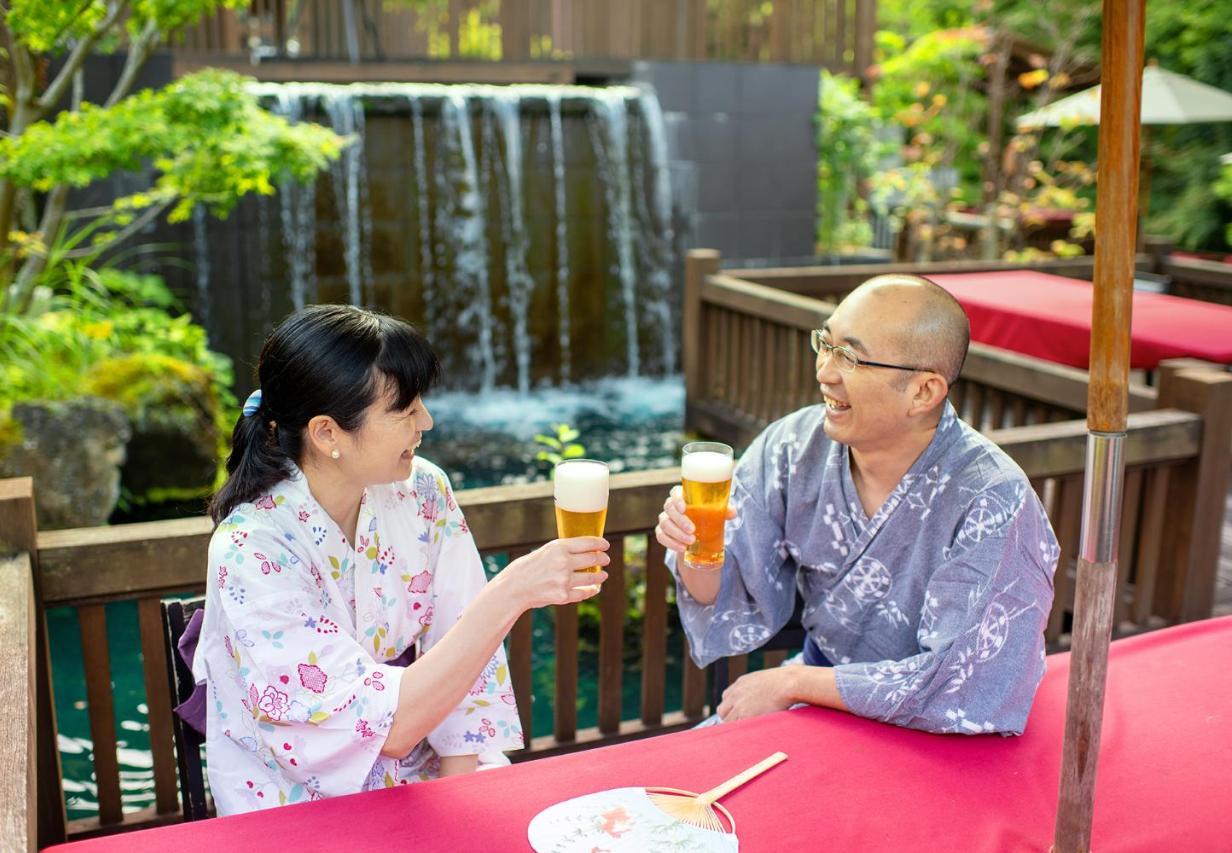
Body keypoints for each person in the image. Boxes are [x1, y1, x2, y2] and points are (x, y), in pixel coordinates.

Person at [197, 305, 609, 814]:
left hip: (422, 779)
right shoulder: (251, 548)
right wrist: (511, 592)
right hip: (292, 798)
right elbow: (386, 730)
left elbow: (460, 645)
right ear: (328, 434)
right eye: (406, 410)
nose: (427, 422)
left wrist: (455, 803)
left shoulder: (423, 491)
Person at [655, 274, 1058, 735]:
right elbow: (721, 593)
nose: (824, 371)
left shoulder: (992, 498)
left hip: (938, 733)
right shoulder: (793, 447)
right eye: (824, 345)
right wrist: (693, 547)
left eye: (849, 356)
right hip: (821, 700)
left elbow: (965, 683)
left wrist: (794, 681)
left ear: (923, 391)